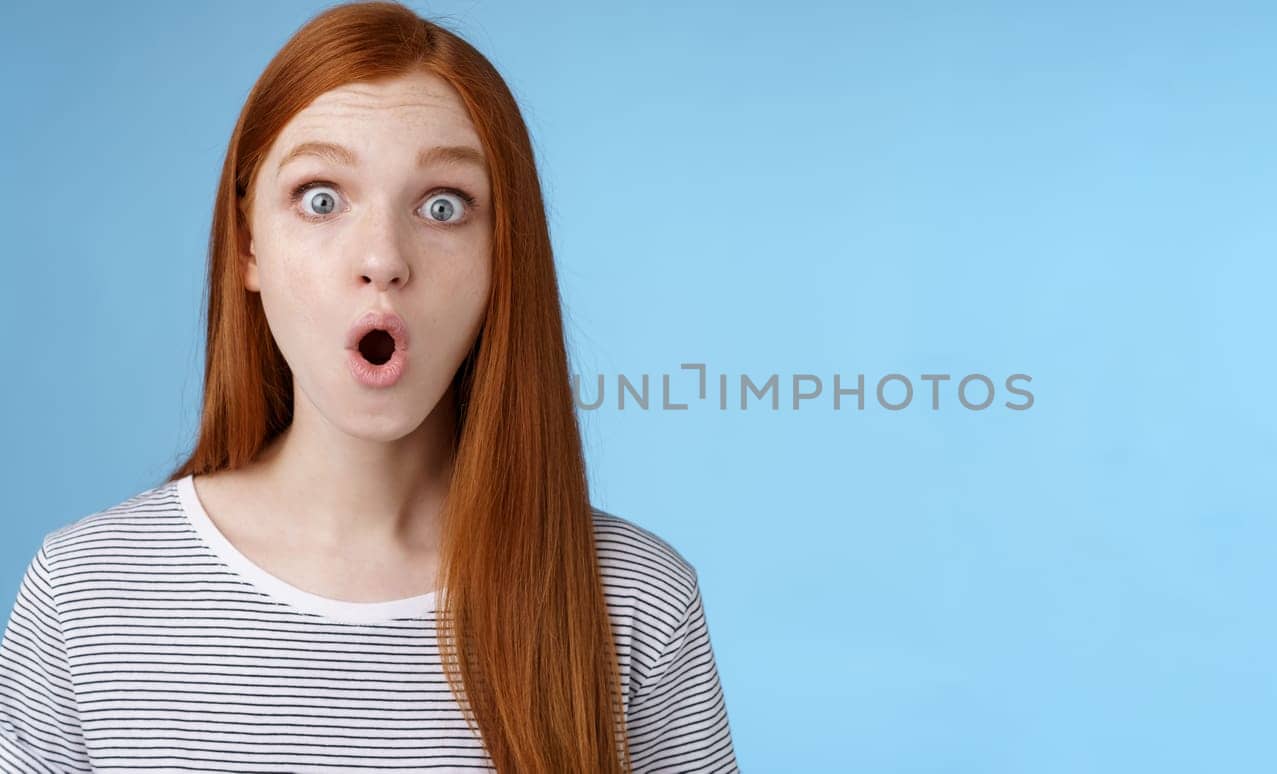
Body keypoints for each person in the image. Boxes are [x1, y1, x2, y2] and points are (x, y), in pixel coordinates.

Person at [0, 2, 738, 771]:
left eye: (443, 206)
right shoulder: (85, 594)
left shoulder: (636, 604)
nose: (383, 258)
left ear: (502, 262)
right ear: (248, 245)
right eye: (322, 198)